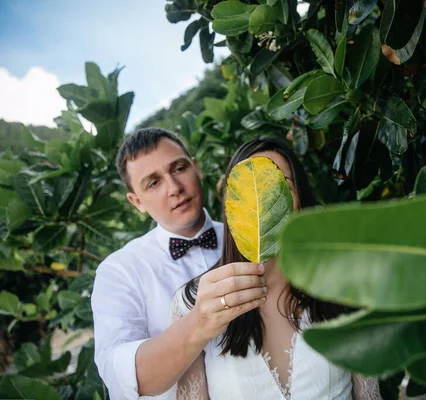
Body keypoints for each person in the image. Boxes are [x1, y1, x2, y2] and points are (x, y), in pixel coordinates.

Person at [170, 137, 380, 400]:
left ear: (301, 201)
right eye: (251, 192)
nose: (266, 204)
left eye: (281, 186)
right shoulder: (193, 302)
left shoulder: (344, 284)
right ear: (230, 207)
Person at [91, 128, 267, 399]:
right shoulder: (118, 271)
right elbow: (124, 378)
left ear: (196, 168)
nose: (174, 188)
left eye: (179, 168)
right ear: (136, 201)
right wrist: (198, 323)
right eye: (153, 183)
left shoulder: (253, 236)